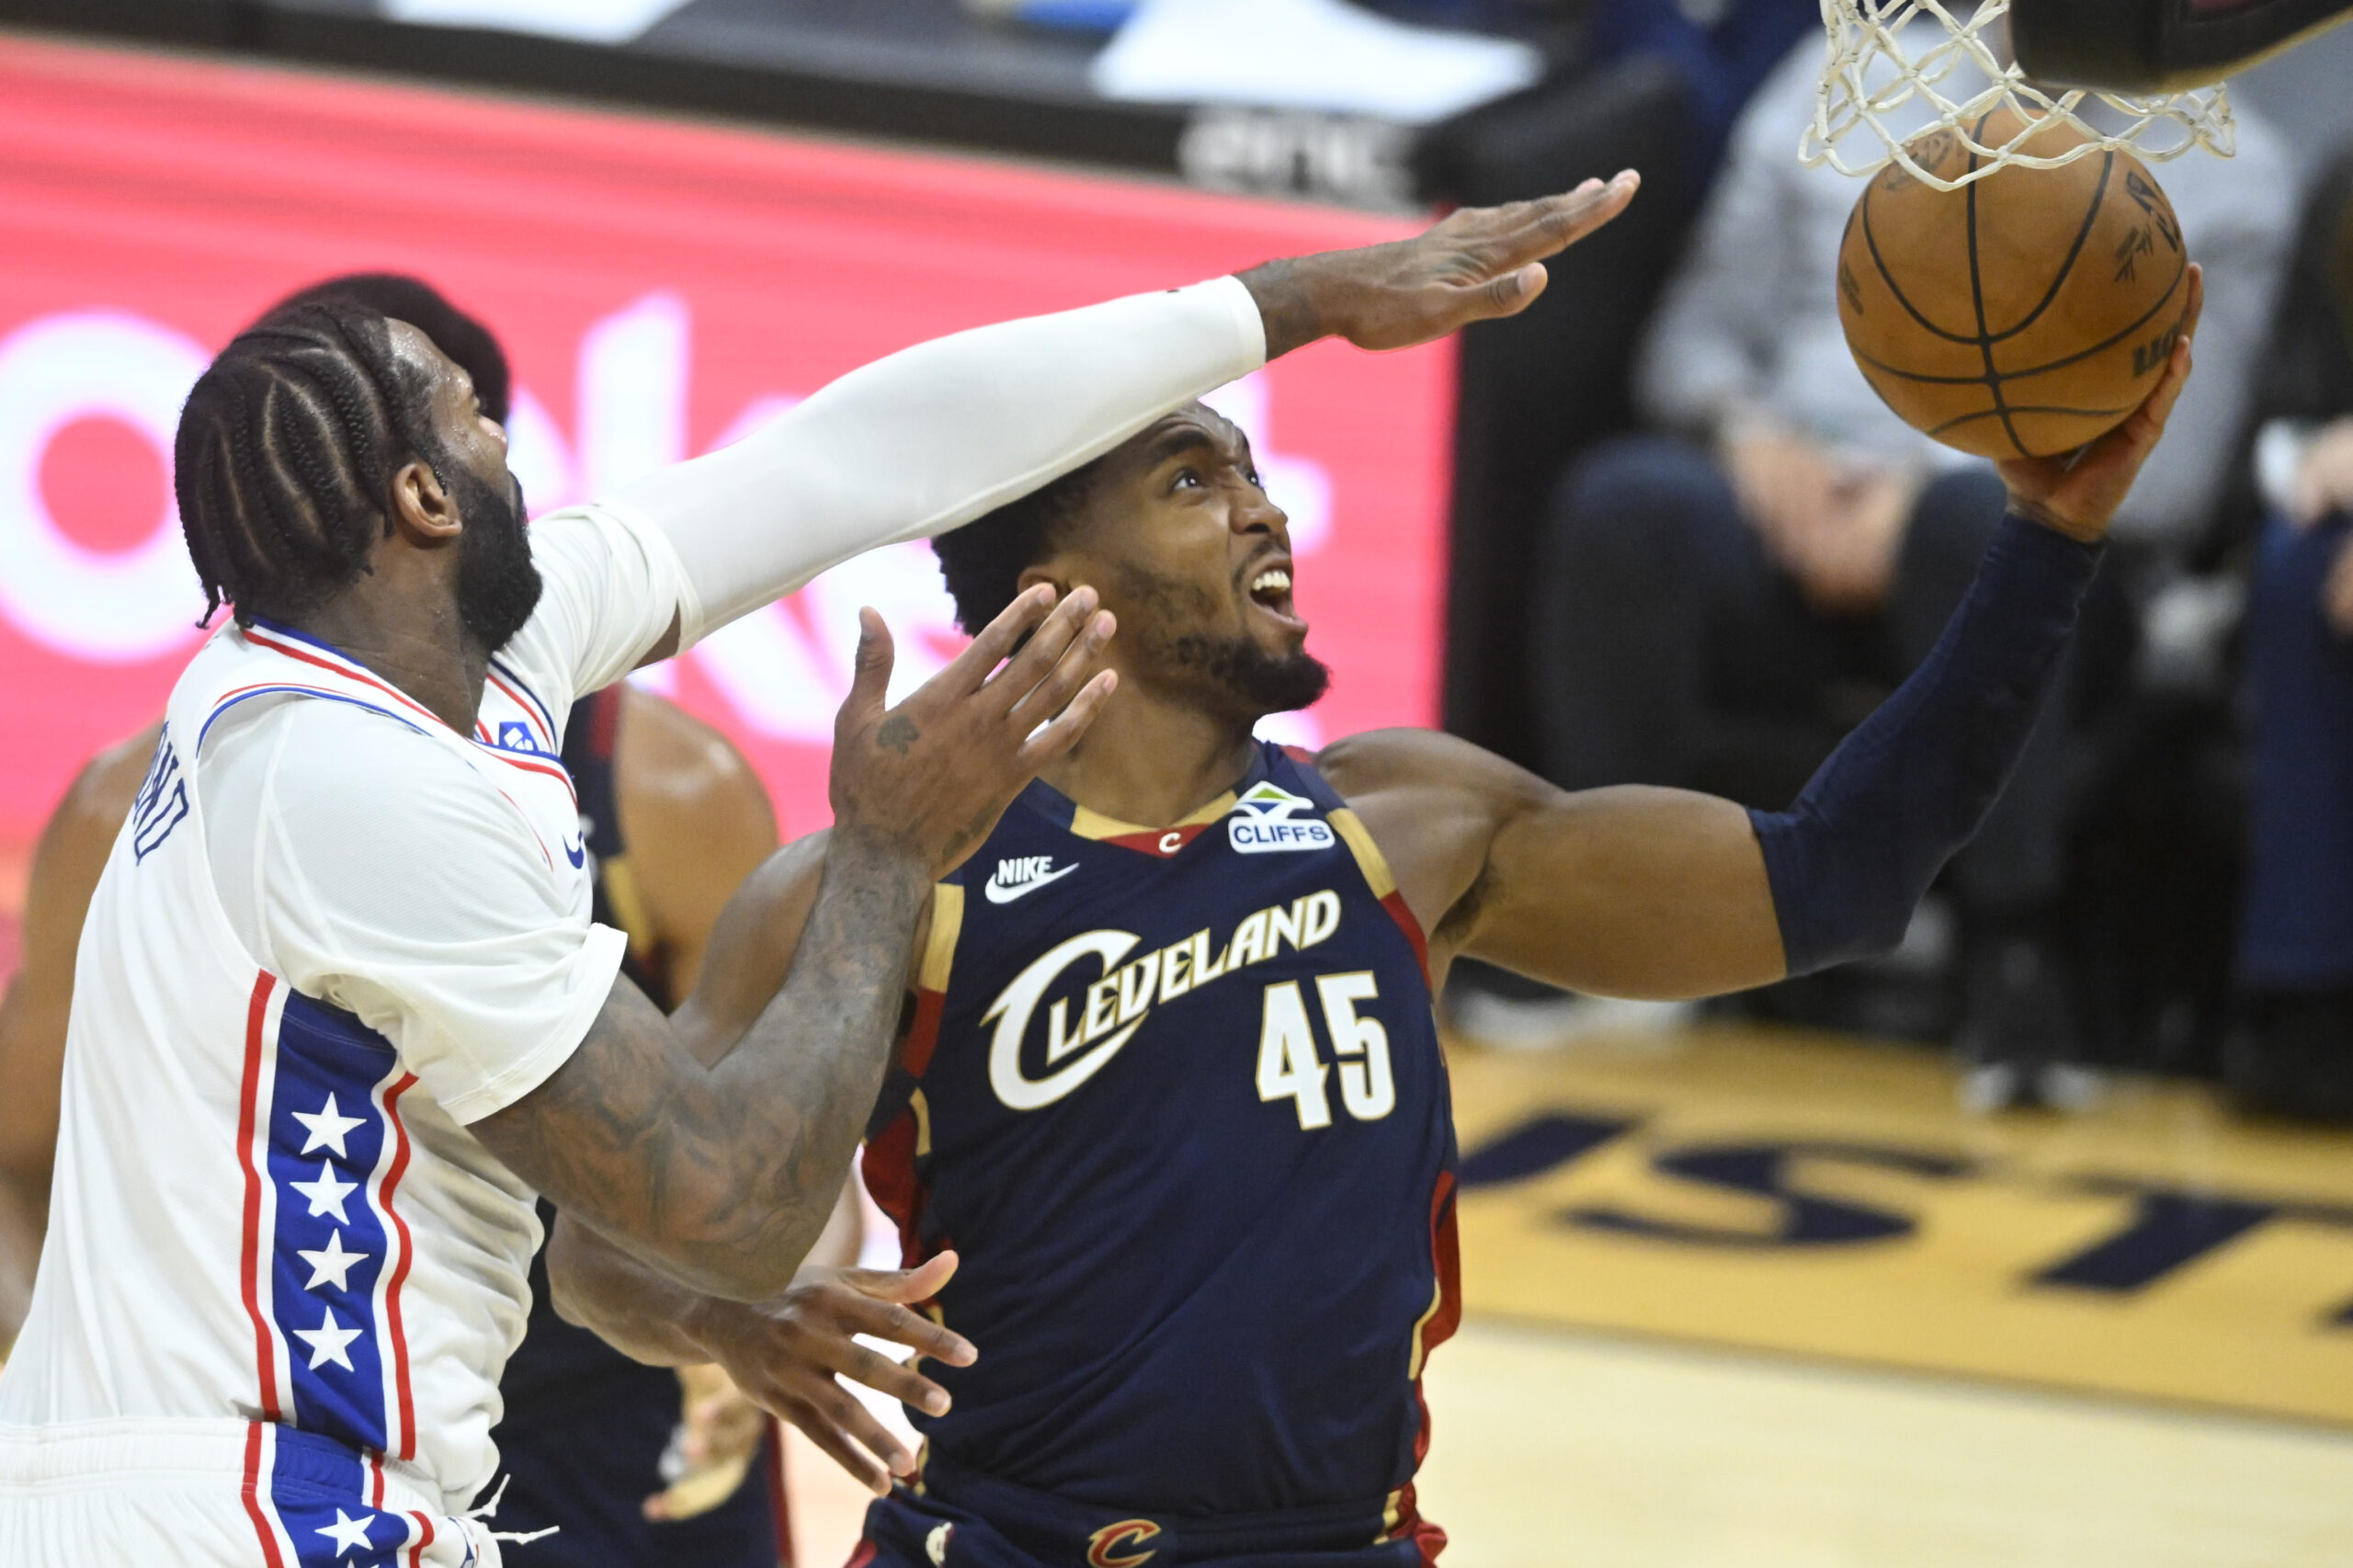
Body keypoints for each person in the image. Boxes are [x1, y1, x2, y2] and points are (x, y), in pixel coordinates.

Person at [0, 178, 1643, 1564]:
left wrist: (1299, 299)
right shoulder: (345, 782)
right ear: (425, 499)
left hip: (227, 1477)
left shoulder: (426, 661)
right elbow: (724, 1200)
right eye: (475, 421)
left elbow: (862, 452)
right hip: (255, 1503)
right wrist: (885, 855)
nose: (518, 444)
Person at [547, 269, 2202, 1562]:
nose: (1263, 510)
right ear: (1053, 571)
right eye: (1192, 481)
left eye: (1254, 472)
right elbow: (602, 1248)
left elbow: (1838, 876)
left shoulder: (1406, 824)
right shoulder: (882, 882)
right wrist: (725, 1317)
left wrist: (2046, 540)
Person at [0, 273, 816, 1562]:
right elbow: (16, 1159)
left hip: (624, 1390)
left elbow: (774, 1123)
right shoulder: (141, 802)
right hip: (305, 1417)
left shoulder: (670, 788)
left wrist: (766, 1298)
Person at [1505, 28, 2290, 1106]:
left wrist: (1918, 484)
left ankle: (2012, 968)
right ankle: (1610, 930)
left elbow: (2179, 475)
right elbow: (1691, 336)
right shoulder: (1844, 79)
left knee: (1966, 524)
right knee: (1625, 500)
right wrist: (1749, 435)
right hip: (1784, 499)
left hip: (2037, 535)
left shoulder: (2235, 167)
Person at [2227, 142, 2353, 1119]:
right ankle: (2299, 1000)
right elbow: (2271, 427)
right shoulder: (2343, 183)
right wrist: (2319, 450)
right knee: (2301, 565)